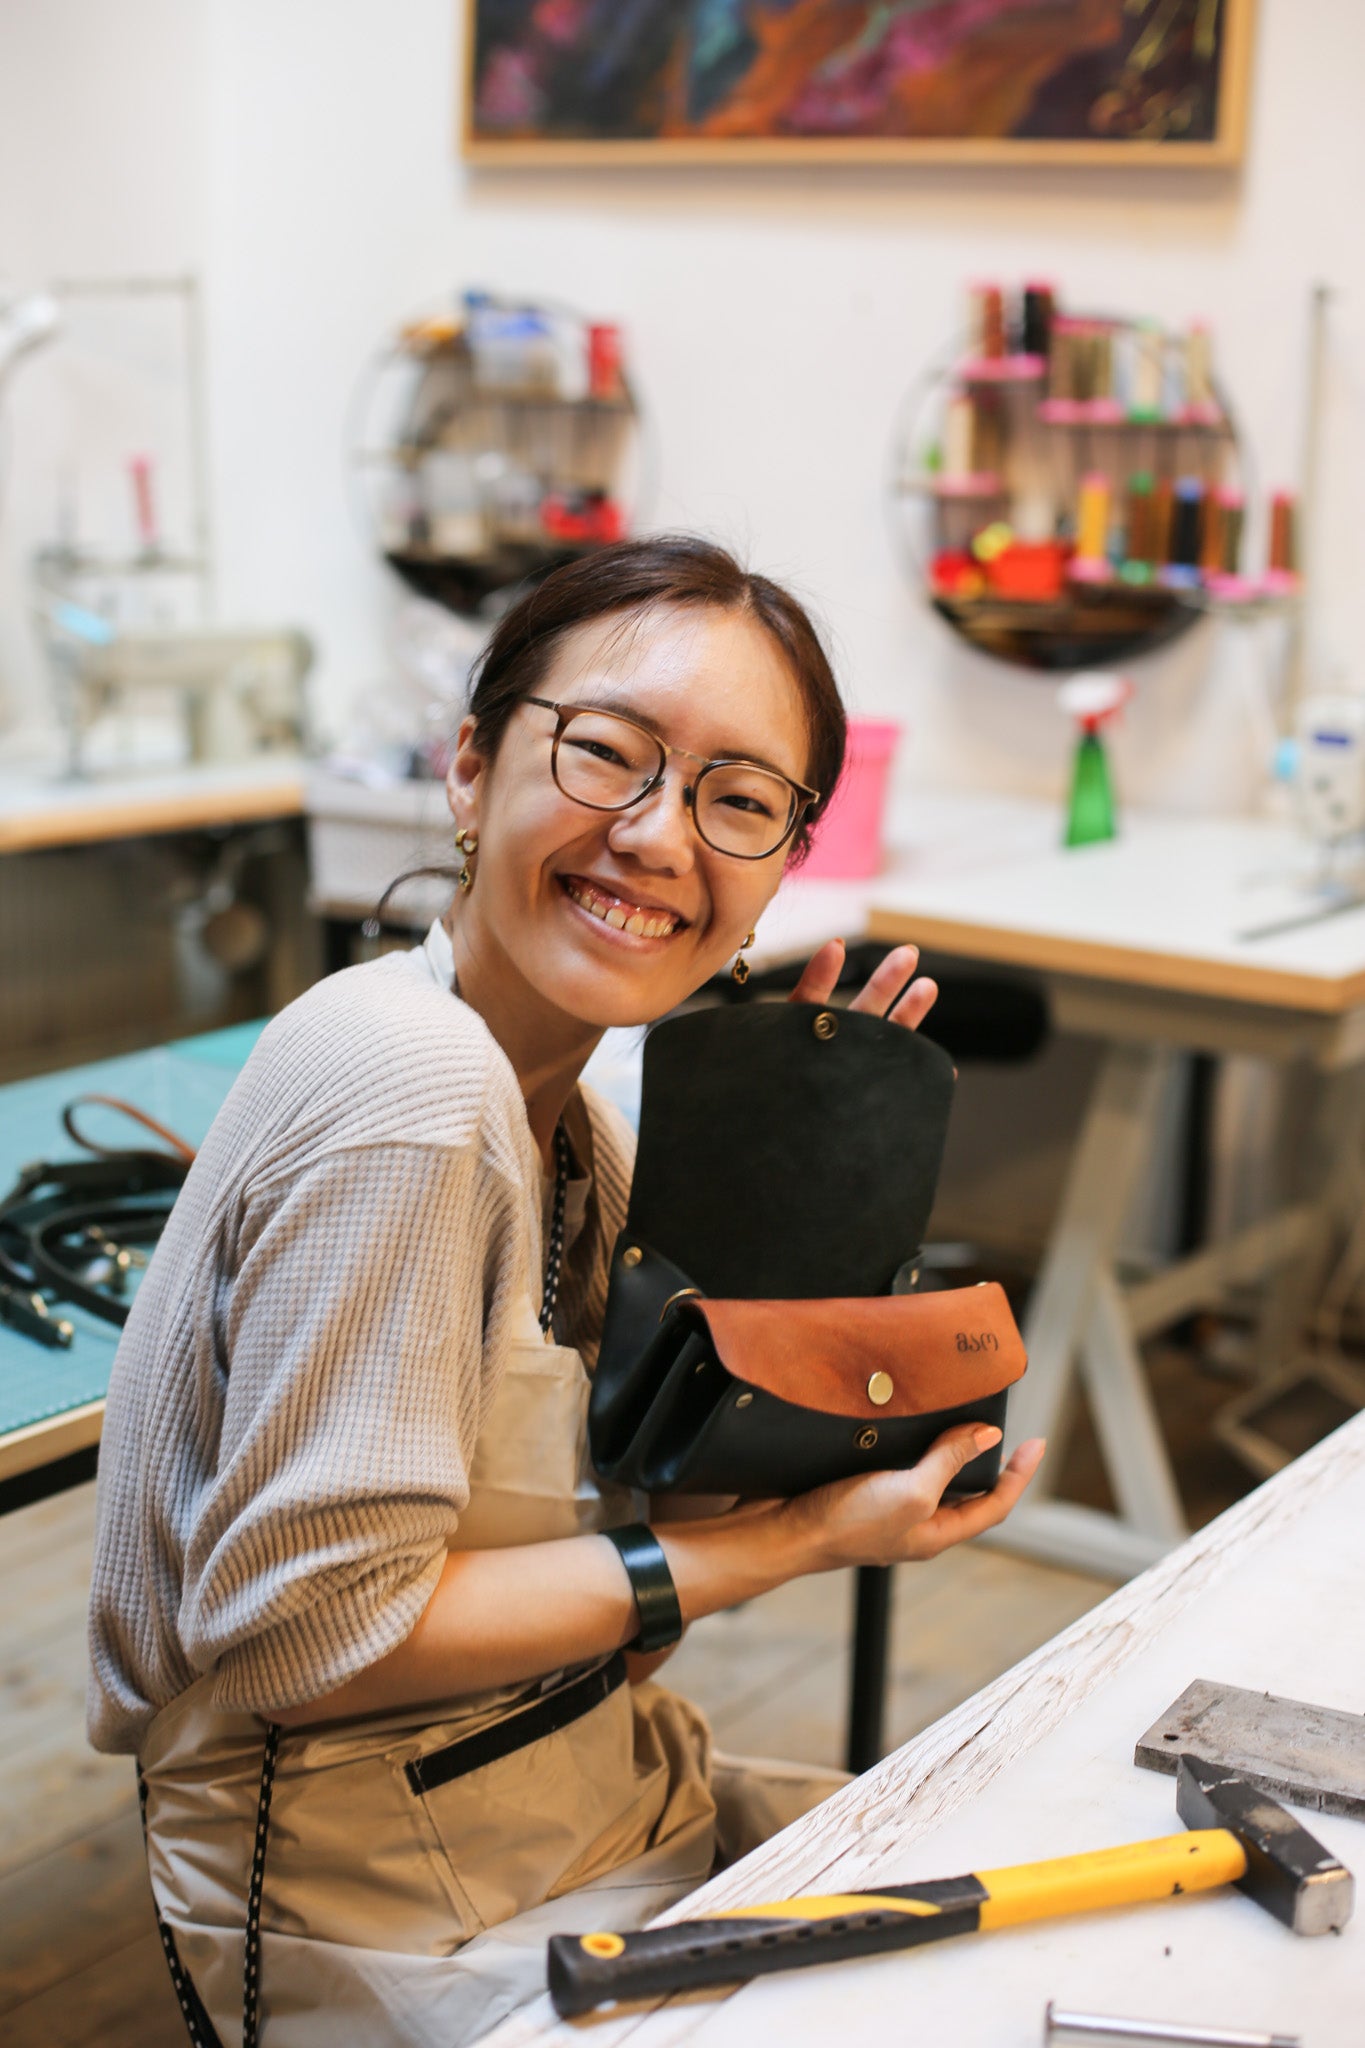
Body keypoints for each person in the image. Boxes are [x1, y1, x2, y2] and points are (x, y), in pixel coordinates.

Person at [87, 536, 1044, 2048]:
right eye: (607, 755)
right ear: (471, 769)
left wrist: (758, 1282)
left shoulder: (583, 1134)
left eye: (739, 801)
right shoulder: (412, 1080)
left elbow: (610, 1627)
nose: (661, 836)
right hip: (371, 1895)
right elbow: (297, 1640)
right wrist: (790, 1540)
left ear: (786, 862)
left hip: (555, 1790)